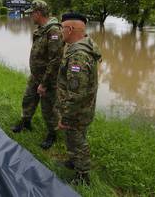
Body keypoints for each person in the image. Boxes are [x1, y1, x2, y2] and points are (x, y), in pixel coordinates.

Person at [11, 0, 64, 150]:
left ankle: (52, 134)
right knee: (28, 99)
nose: (30, 17)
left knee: (49, 108)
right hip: (35, 76)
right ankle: (25, 122)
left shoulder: (54, 31)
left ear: (38, 13)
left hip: (49, 79)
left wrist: (44, 83)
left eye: (31, 14)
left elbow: (55, 60)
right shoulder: (40, 29)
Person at [56, 12, 102, 185]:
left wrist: (65, 117)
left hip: (77, 111)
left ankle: (83, 176)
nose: (60, 32)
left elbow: (76, 94)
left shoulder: (78, 56)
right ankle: (74, 162)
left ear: (69, 29)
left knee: (77, 139)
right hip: (81, 109)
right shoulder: (80, 47)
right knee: (73, 137)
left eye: (62, 29)